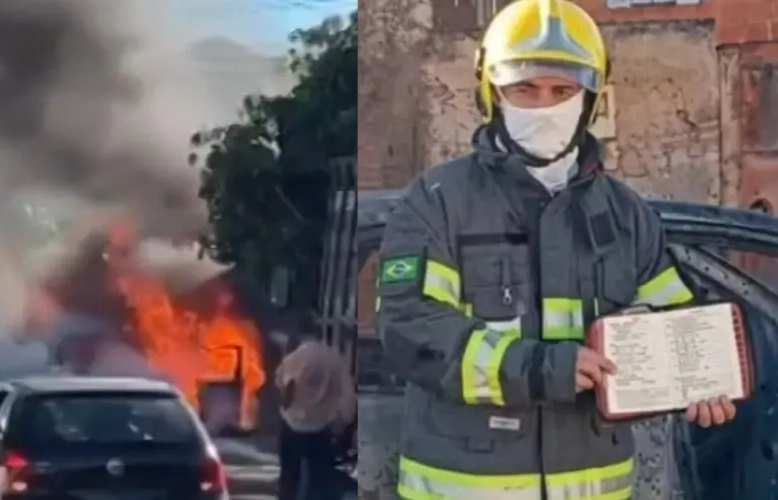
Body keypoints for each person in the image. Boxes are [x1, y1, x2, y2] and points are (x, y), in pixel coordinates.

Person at [373, 0, 736, 498]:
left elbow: (675, 320)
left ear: (589, 98)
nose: (543, 106)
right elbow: (409, 329)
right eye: (525, 88)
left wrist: (702, 380)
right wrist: (543, 368)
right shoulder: (436, 202)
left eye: (562, 90)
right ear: (491, 92)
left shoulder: (628, 215)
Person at [275, 336, 356, 500]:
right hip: (321, 430)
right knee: (319, 481)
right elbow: (348, 402)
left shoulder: (294, 358)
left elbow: (281, 384)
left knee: (290, 480)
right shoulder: (335, 360)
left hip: (291, 426)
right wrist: (343, 426)